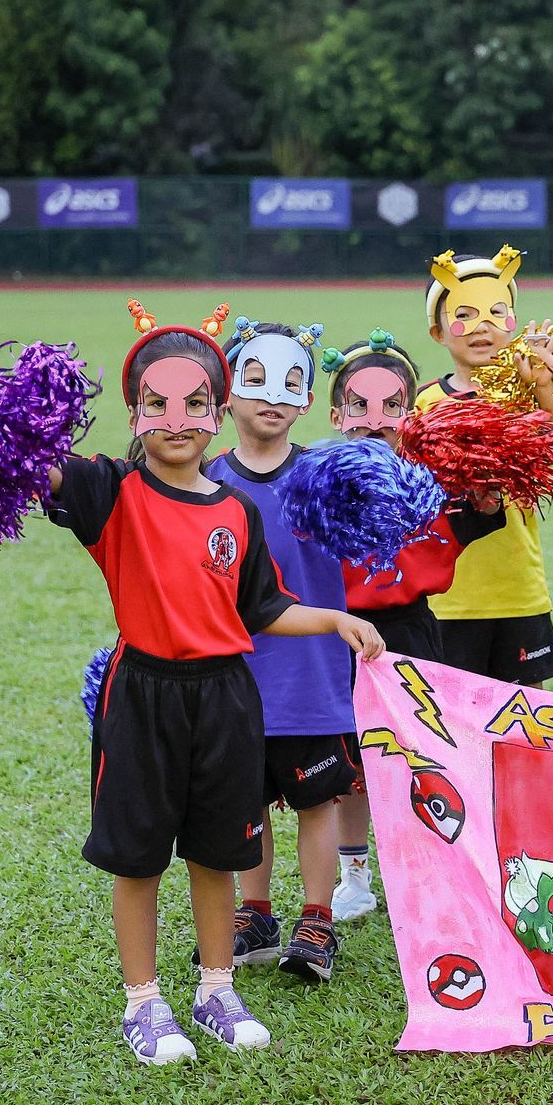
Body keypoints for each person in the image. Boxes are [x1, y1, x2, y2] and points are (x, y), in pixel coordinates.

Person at [47, 304, 384, 1064]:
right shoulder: (112, 491)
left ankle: (215, 990)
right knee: (138, 858)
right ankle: (143, 1003)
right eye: (157, 403)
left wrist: (334, 620)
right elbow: (40, 470)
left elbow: (263, 606)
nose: (177, 419)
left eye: (195, 402)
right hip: (143, 696)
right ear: (134, 411)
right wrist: (24, 421)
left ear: (216, 405)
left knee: (216, 853)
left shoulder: (236, 506)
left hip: (228, 697)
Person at [322, 329, 505, 919]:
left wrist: (487, 479)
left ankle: (428, 868)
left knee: (419, 755)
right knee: (347, 765)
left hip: (408, 634)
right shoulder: (313, 482)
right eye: (359, 405)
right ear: (335, 413)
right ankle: (354, 875)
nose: (375, 421)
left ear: (410, 413)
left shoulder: (425, 484)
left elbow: (479, 515)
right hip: (332, 635)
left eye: (392, 407)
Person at [200, 317, 361, 981]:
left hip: (313, 674)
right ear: (227, 394)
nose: (271, 397)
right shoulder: (202, 478)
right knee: (247, 804)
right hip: (231, 677)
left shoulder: (326, 475)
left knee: (317, 801)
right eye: (255, 379)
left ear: (304, 400)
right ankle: (256, 912)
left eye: (289, 383)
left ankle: (317, 919)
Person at [414, 246, 553, 688]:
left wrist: (545, 389)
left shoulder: (527, 395)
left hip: (517, 591)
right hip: (446, 598)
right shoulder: (423, 404)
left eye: (495, 312)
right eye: (464, 315)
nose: (481, 326)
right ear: (438, 332)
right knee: (450, 722)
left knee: (523, 721)